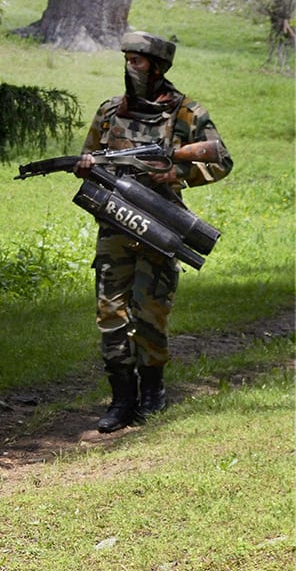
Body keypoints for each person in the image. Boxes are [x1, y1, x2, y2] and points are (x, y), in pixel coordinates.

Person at [74, 31, 232, 434]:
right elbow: (92, 155)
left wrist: (177, 171)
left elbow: (221, 160)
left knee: (151, 312)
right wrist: (86, 168)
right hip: (115, 225)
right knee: (110, 313)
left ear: (158, 67)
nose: (131, 66)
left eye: (139, 60)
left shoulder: (186, 113)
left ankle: (153, 395)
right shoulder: (110, 112)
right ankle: (121, 400)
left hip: (160, 224)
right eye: (127, 58)